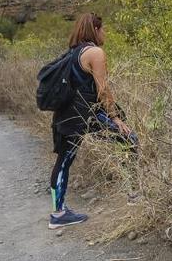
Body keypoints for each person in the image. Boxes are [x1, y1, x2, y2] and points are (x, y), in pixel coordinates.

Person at [47, 14, 138, 229]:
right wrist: (115, 118)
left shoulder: (72, 53)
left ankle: (58, 213)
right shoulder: (95, 53)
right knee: (129, 139)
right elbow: (103, 89)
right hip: (85, 114)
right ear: (95, 29)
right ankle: (133, 193)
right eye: (103, 29)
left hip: (66, 114)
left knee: (65, 160)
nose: (104, 33)